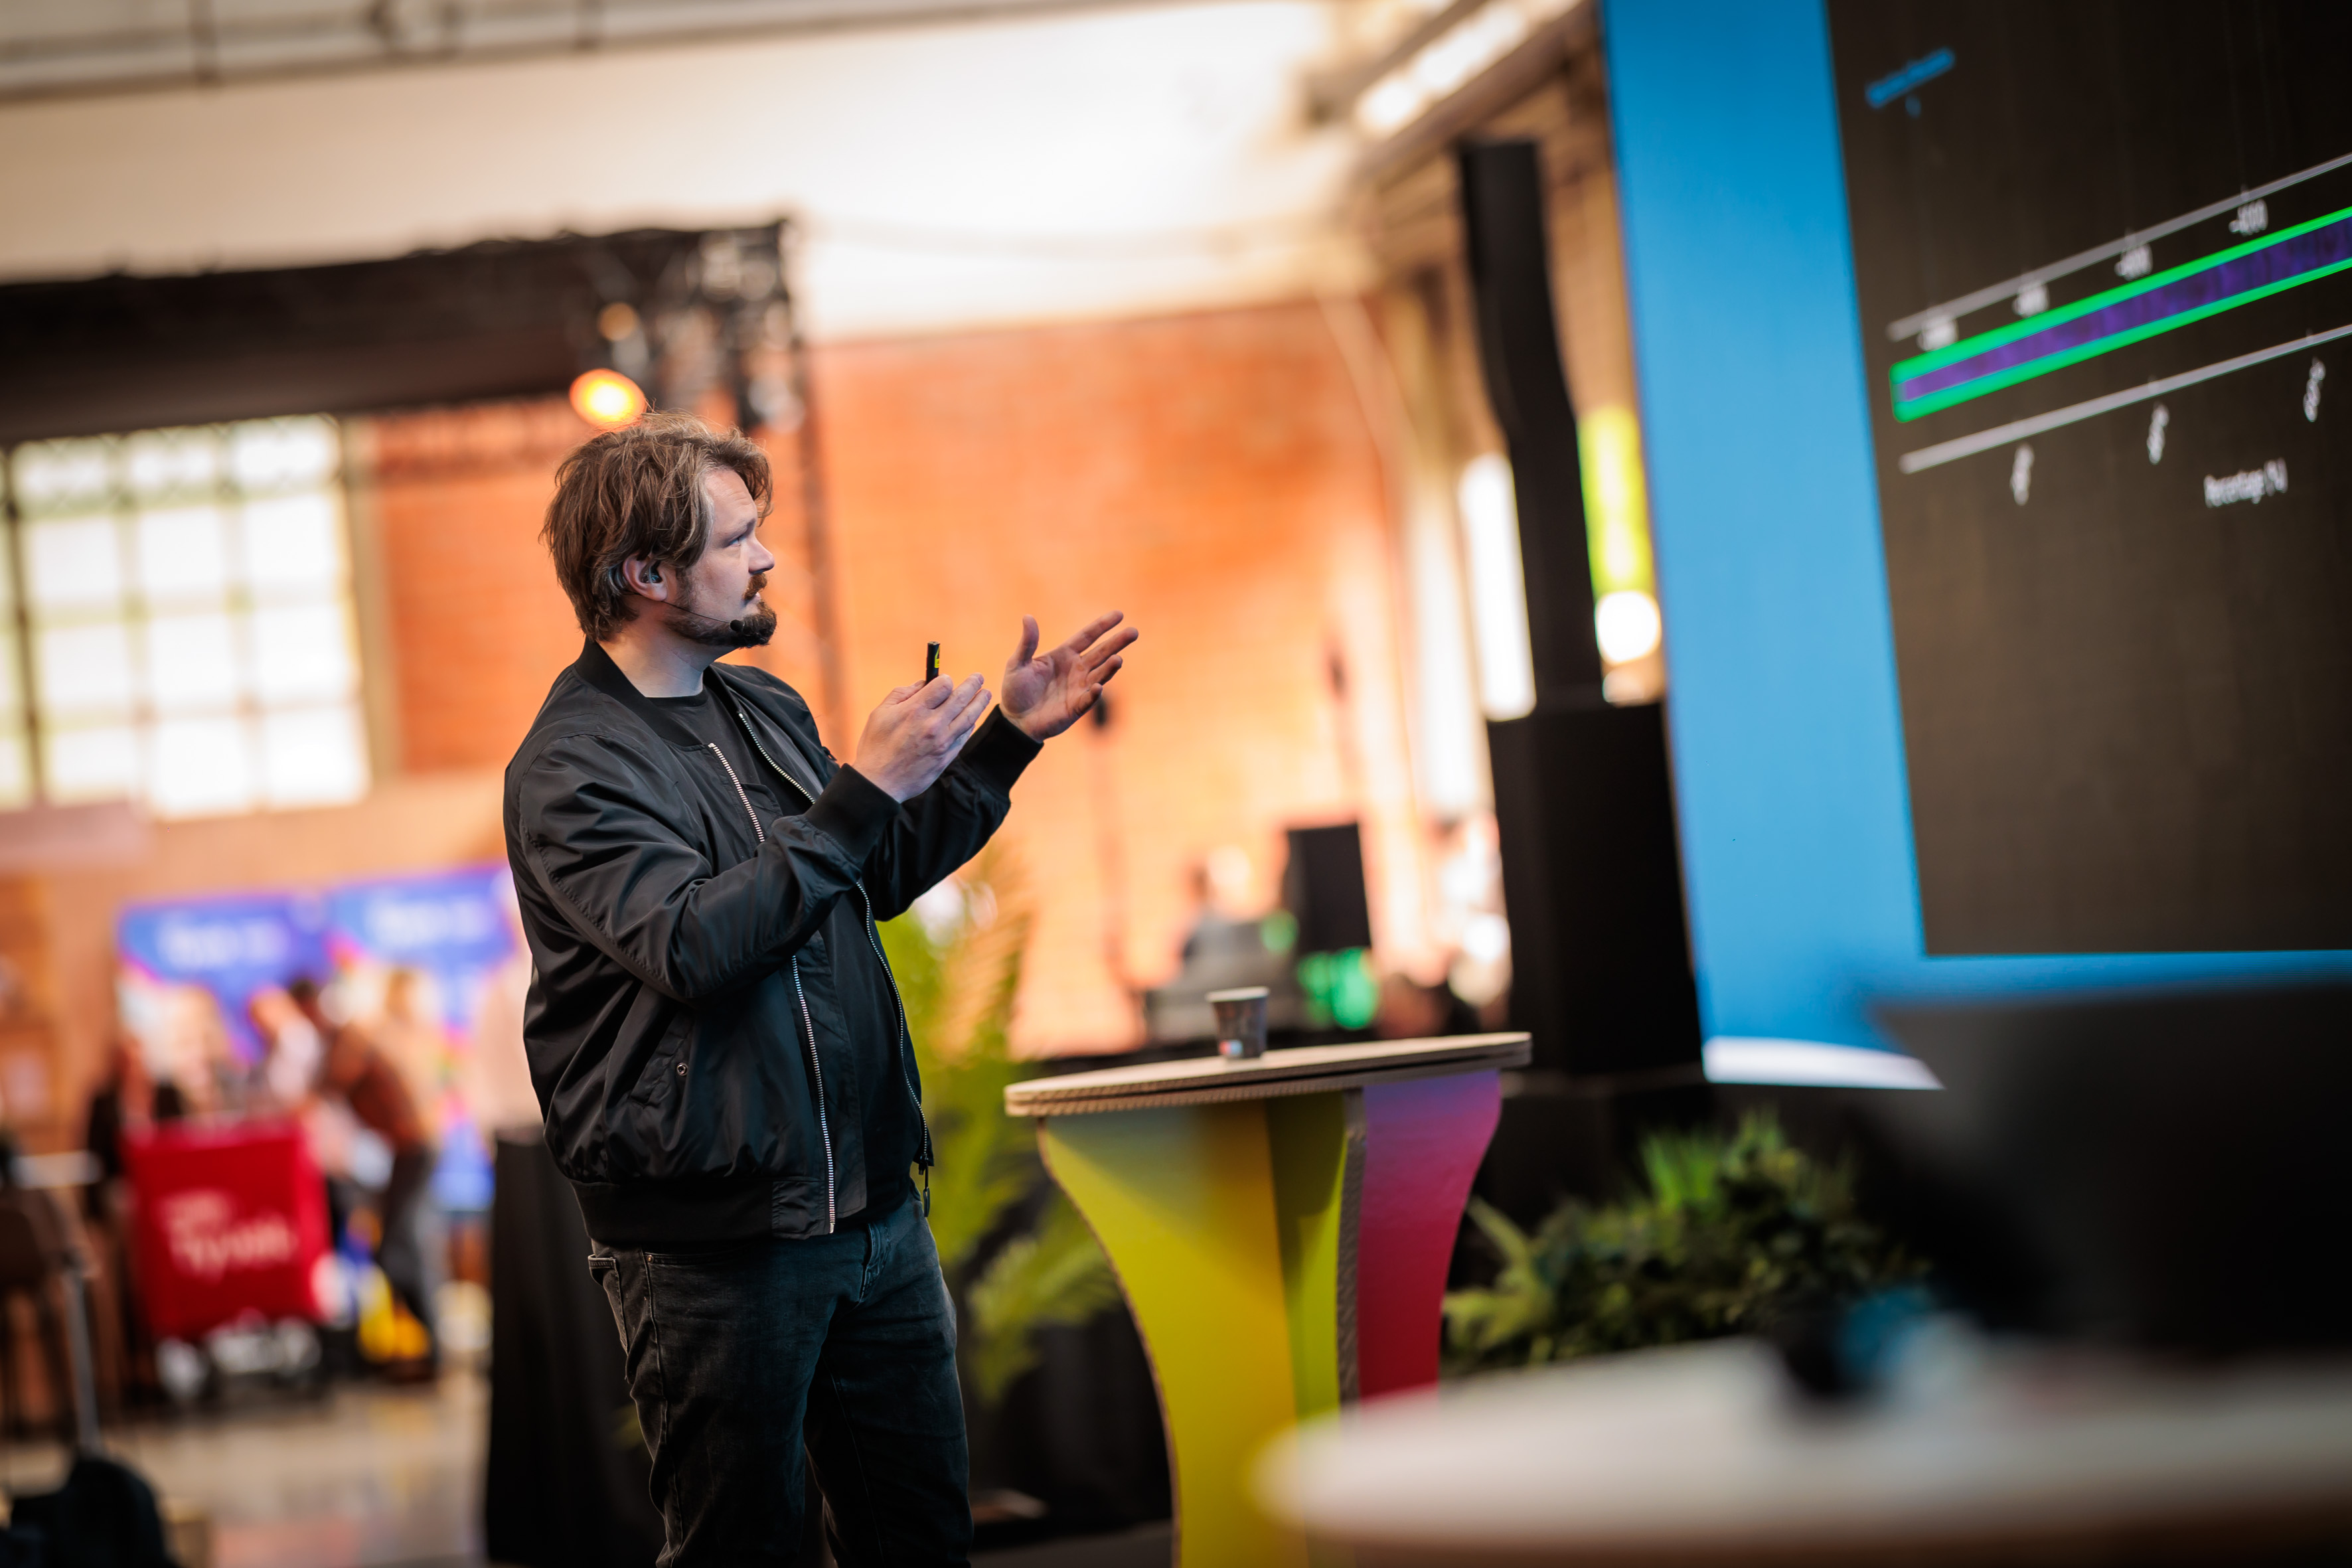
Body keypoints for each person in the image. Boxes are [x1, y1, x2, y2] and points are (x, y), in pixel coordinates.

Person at [506, 412, 1135, 1566]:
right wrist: (862, 787)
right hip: (717, 1247)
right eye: (735, 539)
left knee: (919, 1538)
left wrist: (1004, 740)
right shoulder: (572, 765)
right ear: (647, 575)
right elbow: (692, 943)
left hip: (874, 1217)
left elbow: (869, 871)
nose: (765, 558)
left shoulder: (764, 708)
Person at [286, 977, 439, 1372]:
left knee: (398, 1247)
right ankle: (419, 1345)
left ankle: (430, 1346)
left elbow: (330, 1083)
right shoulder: (337, 1043)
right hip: (403, 1152)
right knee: (393, 1247)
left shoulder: (350, 1037)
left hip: (416, 1148)